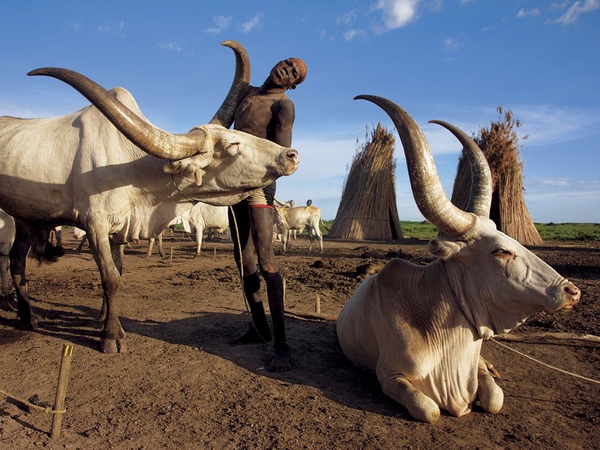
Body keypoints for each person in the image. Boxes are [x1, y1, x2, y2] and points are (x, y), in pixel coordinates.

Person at [228, 56, 307, 372]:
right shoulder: (245, 91)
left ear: (292, 85)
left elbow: (279, 158)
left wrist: (255, 179)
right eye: (286, 63)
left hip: (260, 186)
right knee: (242, 258)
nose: (286, 70)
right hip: (234, 180)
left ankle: (282, 346)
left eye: (293, 73)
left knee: (266, 260)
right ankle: (259, 329)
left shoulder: (283, 108)